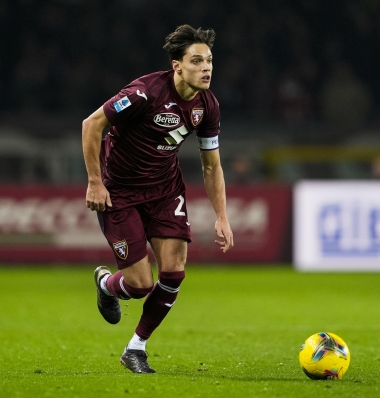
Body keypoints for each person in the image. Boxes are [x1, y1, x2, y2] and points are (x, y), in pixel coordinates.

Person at [81, 25, 234, 374]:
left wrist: (221, 216)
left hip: (165, 191)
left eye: (209, 61)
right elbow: (92, 125)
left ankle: (136, 348)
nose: (206, 68)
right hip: (120, 192)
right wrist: (94, 182)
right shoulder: (144, 93)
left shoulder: (207, 106)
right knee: (139, 285)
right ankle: (107, 285)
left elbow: (212, 166)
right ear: (177, 65)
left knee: (174, 272)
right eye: (197, 61)